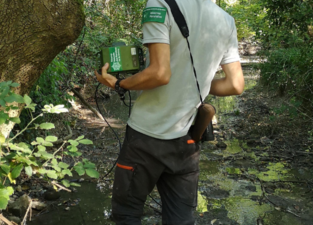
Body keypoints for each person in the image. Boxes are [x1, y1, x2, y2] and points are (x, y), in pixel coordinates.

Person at [95, 0, 244, 224]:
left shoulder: (159, 4)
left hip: (145, 138)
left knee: (127, 214)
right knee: (180, 219)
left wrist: (119, 84)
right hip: (187, 142)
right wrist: (196, 82)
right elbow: (235, 85)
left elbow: (160, 74)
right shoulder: (226, 20)